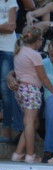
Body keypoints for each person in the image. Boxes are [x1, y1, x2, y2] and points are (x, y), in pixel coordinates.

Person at [10, 26, 53, 164]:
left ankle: (18, 154)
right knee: (29, 123)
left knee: (33, 122)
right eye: (41, 39)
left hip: (21, 90)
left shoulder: (19, 51)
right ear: (37, 41)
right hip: (31, 90)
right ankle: (30, 155)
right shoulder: (35, 55)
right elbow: (43, 78)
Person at [0, 0, 18, 144]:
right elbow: (7, 26)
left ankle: (7, 129)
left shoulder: (11, 0)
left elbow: (11, 27)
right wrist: (3, 26)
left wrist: (6, 27)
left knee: (6, 90)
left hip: (7, 49)